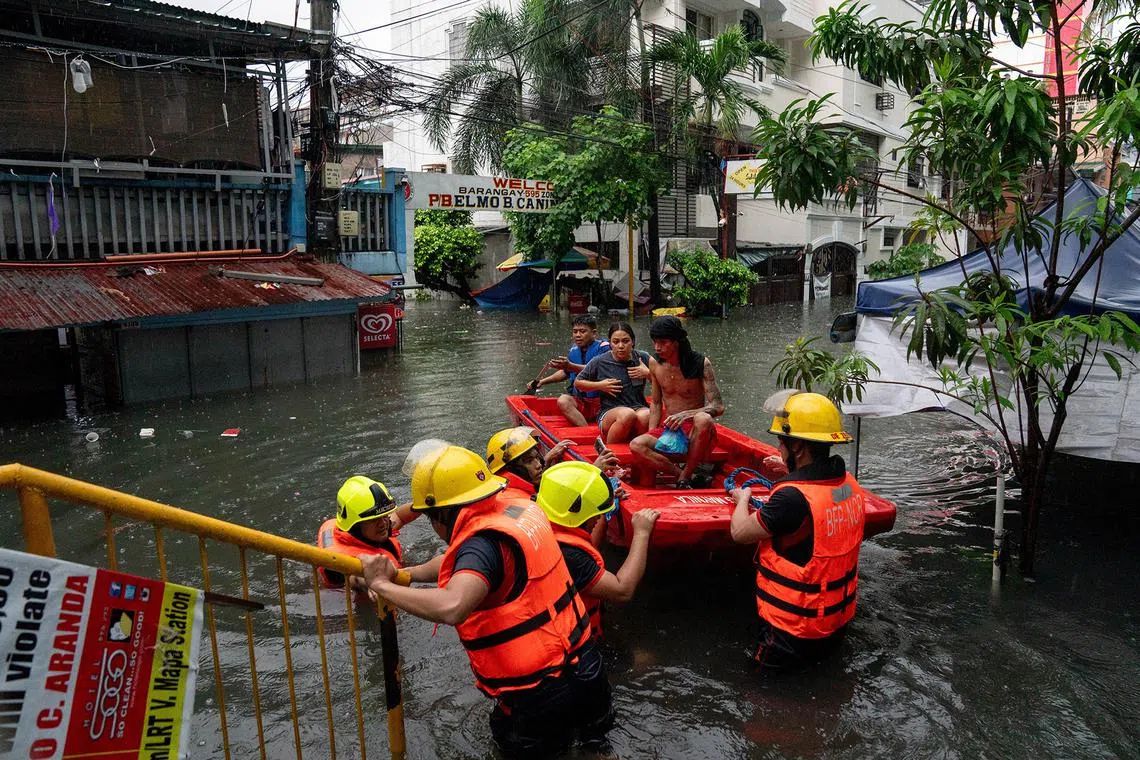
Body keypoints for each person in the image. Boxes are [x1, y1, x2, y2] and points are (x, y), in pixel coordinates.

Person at [360, 441, 613, 758]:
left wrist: (382, 586)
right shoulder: (517, 508)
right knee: (594, 745)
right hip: (587, 666)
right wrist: (404, 575)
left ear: (443, 514)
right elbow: (461, 563)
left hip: (540, 693)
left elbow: (452, 606)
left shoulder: (482, 544)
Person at [728, 391, 865, 670]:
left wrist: (742, 499)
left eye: (781, 443)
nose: (779, 449)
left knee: (761, 697)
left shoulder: (790, 499)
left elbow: (740, 532)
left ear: (798, 447)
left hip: (789, 633)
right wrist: (790, 473)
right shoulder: (848, 483)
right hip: (833, 624)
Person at [535, 461, 659, 638]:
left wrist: (606, 507)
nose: (598, 517)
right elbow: (622, 590)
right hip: (574, 646)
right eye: (596, 513)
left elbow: (589, 541)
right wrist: (641, 533)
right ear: (579, 513)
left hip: (564, 628)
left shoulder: (547, 523)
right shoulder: (570, 555)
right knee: (646, 660)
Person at [629, 316, 725, 488]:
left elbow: (718, 406)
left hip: (696, 433)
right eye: (655, 342)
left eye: (663, 342)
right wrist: (652, 433)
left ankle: (685, 476)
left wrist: (685, 415)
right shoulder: (654, 363)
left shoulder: (701, 363)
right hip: (669, 430)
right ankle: (685, 476)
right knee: (636, 445)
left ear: (676, 342)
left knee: (704, 418)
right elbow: (657, 402)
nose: (657, 347)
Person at [316, 476, 402, 591]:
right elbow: (352, 578)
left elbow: (400, 517)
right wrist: (369, 583)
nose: (383, 524)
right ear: (355, 526)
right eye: (374, 519)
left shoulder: (372, 531)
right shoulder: (335, 564)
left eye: (384, 516)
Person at [574, 322, 653, 444]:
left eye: (625, 341)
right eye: (616, 342)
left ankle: (636, 448)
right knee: (627, 414)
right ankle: (610, 452)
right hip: (609, 412)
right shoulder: (600, 361)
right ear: (610, 343)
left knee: (647, 415)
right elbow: (578, 382)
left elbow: (665, 382)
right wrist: (600, 385)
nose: (621, 346)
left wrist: (648, 374)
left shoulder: (643, 357)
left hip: (639, 407)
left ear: (632, 342)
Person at [486, 425, 620, 497]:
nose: (538, 465)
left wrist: (547, 458)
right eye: (529, 461)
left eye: (536, 458)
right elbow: (565, 507)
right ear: (510, 469)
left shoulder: (506, 487)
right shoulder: (517, 500)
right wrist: (594, 471)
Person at [531, 315, 610, 426]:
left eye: (582, 331)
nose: (578, 335)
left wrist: (570, 365)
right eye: (575, 331)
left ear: (594, 333)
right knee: (563, 400)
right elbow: (566, 372)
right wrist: (542, 381)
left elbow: (597, 370)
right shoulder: (574, 350)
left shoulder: (604, 348)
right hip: (582, 401)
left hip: (603, 403)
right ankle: (586, 431)